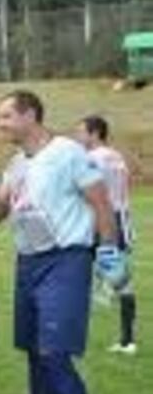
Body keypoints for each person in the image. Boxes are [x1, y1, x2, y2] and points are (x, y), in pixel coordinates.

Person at [0, 91, 121, 394]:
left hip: (65, 261)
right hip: (28, 262)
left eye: (6, 116)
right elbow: (0, 212)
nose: (0, 124)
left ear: (30, 115)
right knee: (36, 356)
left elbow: (101, 202)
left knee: (55, 355)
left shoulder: (67, 152)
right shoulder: (16, 162)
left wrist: (108, 251)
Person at [75, 115, 137, 354]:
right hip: (121, 220)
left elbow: (86, 192)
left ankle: (71, 331)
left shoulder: (91, 158)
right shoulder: (116, 156)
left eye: (81, 132)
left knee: (78, 274)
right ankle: (127, 340)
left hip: (102, 224)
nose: (78, 137)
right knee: (122, 282)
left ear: (95, 133)